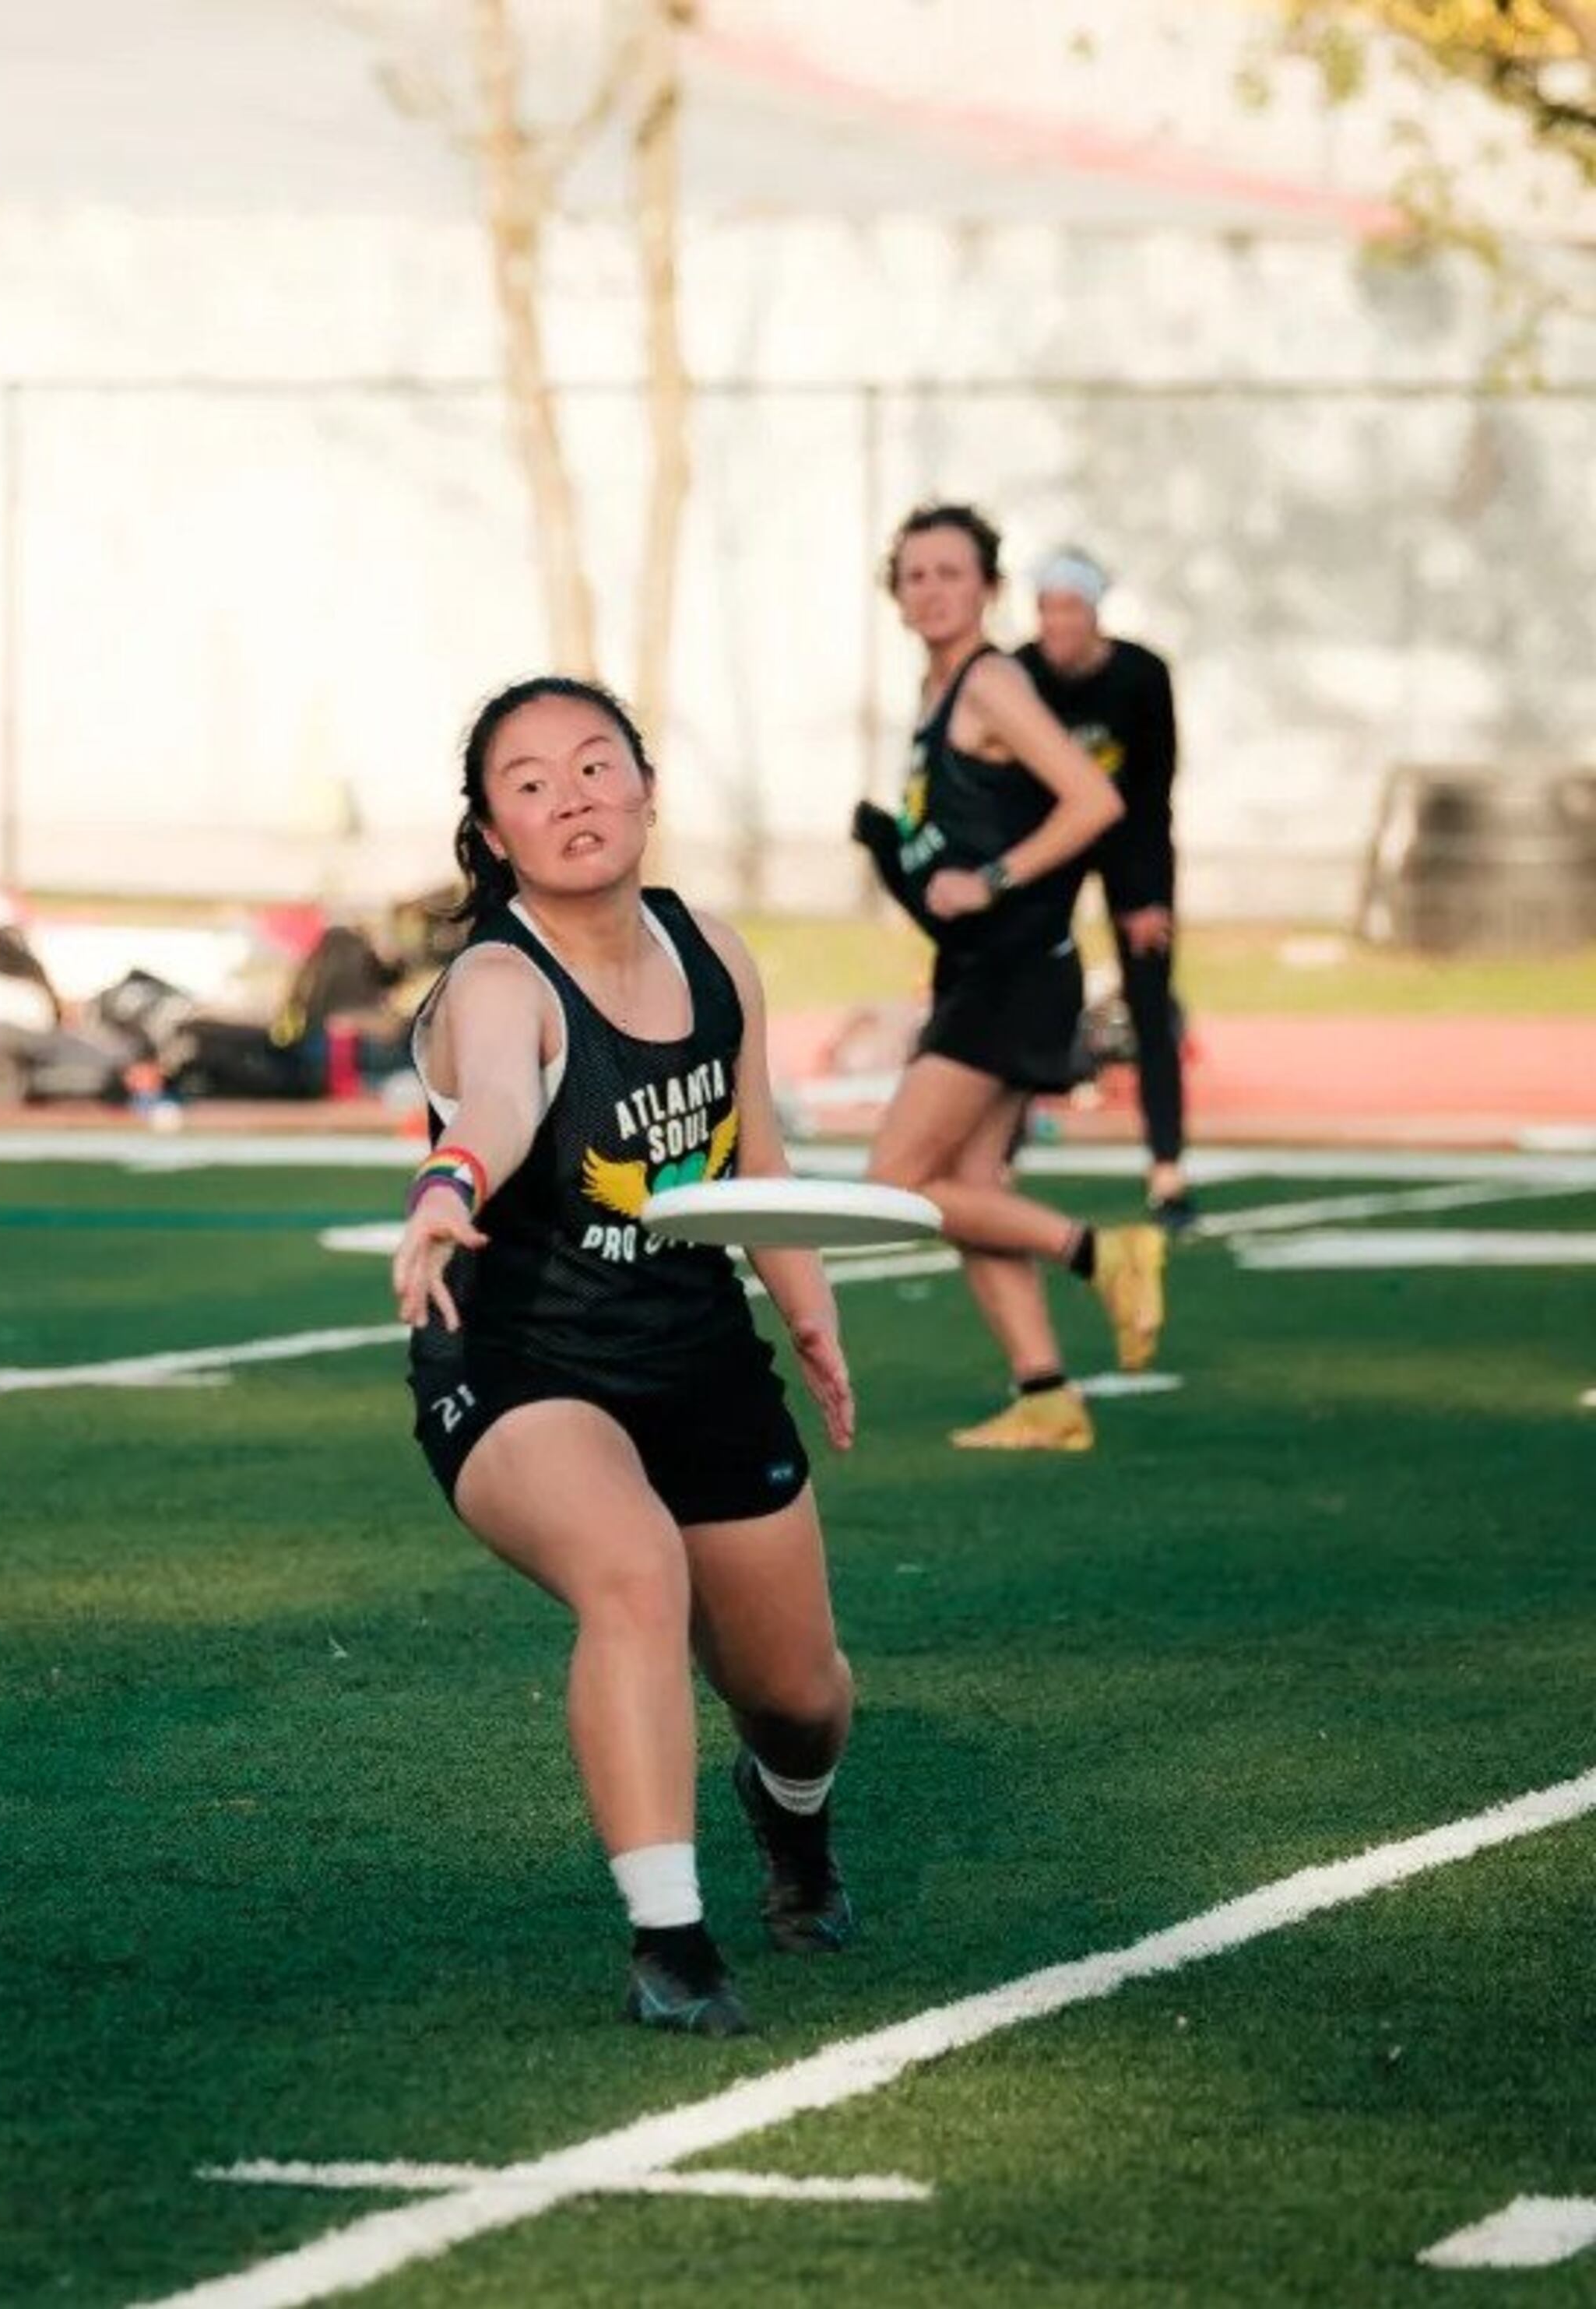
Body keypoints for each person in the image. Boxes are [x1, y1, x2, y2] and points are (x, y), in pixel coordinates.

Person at [392, 675, 860, 2040]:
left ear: (647, 789)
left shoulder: (714, 951)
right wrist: (443, 1189)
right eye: (529, 783)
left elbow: (753, 1154)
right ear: (492, 833)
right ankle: (672, 1940)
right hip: (521, 1359)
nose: (571, 797)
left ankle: (793, 1826)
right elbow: (493, 1102)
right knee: (633, 1570)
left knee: (800, 1698)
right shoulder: (496, 977)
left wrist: (811, 1310)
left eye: (596, 765)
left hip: (699, 1349)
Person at [865, 503, 1165, 1452]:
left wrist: (991, 878)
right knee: (966, 1182)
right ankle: (1046, 1393)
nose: (932, 590)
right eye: (915, 574)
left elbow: (1095, 800)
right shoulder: (936, 689)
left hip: (1013, 967)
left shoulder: (992, 683)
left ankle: (1102, 1250)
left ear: (989, 589)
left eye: (952, 573)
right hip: (982, 967)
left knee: (898, 1180)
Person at [1016, 548, 1193, 1230]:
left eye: (1070, 609)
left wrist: (1145, 895)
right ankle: (1000, 1156)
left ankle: (1167, 1168)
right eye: (1047, 609)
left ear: (1094, 614)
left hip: (1129, 846)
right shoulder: (1021, 674)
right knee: (1026, 995)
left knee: (1150, 1003)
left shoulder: (1141, 677)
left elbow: (1153, 788)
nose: (1057, 623)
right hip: (1052, 844)